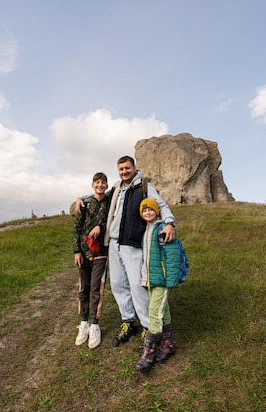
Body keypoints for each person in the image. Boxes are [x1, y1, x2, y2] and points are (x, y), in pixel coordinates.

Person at [77, 156, 176, 347]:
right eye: (121, 169)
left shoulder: (144, 186)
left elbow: (161, 204)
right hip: (113, 243)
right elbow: (98, 196)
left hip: (133, 244)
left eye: (127, 168)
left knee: (137, 286)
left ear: (134, 168)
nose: (124, 171)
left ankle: (148, 326)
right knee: (117, 284)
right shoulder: (116, 188)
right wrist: (80, 198)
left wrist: (169, 223)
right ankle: (128, 321)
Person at [135, 198, 179, 372]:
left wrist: (171, 279)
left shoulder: (161, 228)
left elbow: (172, 252)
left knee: (154, 312)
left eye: (151, 210)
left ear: (157, 211)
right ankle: (168, 345)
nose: (147, 213)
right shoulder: (146, 230)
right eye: (144, 211)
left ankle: (148, 352)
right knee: (163, 310)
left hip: (161, 279)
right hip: (151, 279)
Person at [72, 172, 110, 349]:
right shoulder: (85, 204)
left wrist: (100, 227)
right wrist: (77, 251)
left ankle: (95, 324)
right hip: (84, 252)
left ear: (107, 186)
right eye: (97, 182)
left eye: (103, 182)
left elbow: (114, 222)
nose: (100, 185)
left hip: (101, 252)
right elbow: (77, 228)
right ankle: (84, 323)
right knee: (84, 288)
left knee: (97, 287)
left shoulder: (111, 203)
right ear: (92, 185)